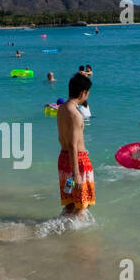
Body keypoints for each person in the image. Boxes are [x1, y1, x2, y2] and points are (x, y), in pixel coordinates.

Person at [57, 72, 95, 215]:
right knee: (83, 204)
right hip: (78, 162)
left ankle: (63, 228)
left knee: (70, 202)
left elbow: (62, 139)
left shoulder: (61, 109)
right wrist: (77, 173)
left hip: (63, 159)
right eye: (88, 92)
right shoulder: (76, 115)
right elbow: (73, 144)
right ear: (83, 92)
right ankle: (74, 234)